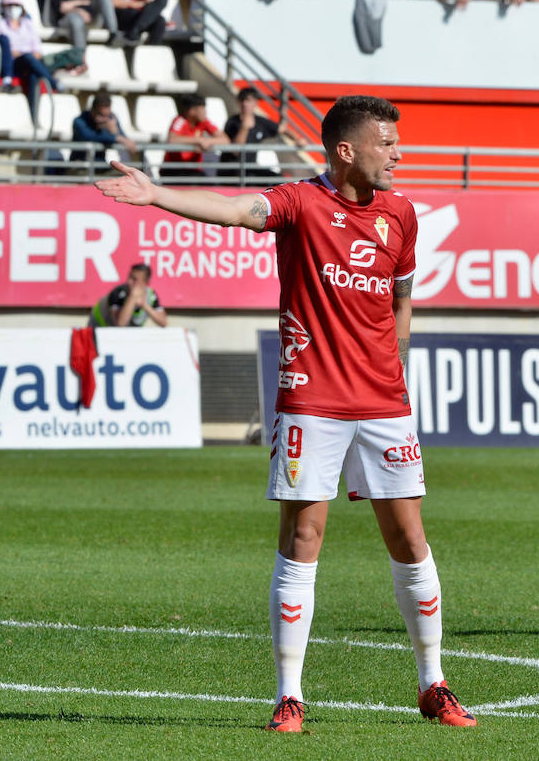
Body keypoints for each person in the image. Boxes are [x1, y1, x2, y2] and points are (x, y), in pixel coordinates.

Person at [94, 94, 477, 735]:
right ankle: (289, 695)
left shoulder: (403, 214)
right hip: (312, 401)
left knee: (409, 539)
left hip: (385, 403)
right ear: (346, 150)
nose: (398, 153)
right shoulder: (301, 202)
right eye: (386, 143)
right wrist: (156, 194)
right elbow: (232, 210)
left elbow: (401, 296)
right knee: (304, 540)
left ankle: (434, 683)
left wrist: (396, 363)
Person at [0, 0, 59, 120]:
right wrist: (26, 54)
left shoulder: (28, 24)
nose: (13, 8)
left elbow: (38, 49)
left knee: (33, 73)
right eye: (10, 5)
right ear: (4, 6)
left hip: (29, 62)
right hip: (11, 64)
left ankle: (33, 116)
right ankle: (53, 82)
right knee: (28, 58)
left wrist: (28, 54)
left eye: (16, 5)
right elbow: (5, 51)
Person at [162, 93, 227, 180]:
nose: (205, 112)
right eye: (202, 108)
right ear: (192, 111)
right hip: (174, 170)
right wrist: (199, 140)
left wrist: (208, 141)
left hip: (194, 170)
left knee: (210, 189)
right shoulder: (180, 120)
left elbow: (225, 140)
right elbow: (172, 139)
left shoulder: (204, 122)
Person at [89, 262, 168, 326]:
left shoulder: (151, 295)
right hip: (98, 327)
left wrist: (144, 305)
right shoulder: (118, 293)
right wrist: (132, 297)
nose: (129, 281)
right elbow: (121, 323)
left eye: (134, 279)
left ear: (146, 282)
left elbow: (163, 323)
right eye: (129, 277)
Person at [73, 91, 140, 158]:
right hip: (80, 164)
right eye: (100, 115)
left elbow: (124, 139)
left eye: (107, 115)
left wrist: (115, 133)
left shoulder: (111, 118)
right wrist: (116, 137)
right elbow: (90, 136)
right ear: (92, 110)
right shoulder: (79, 121)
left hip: (101, 164)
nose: (104, 119)